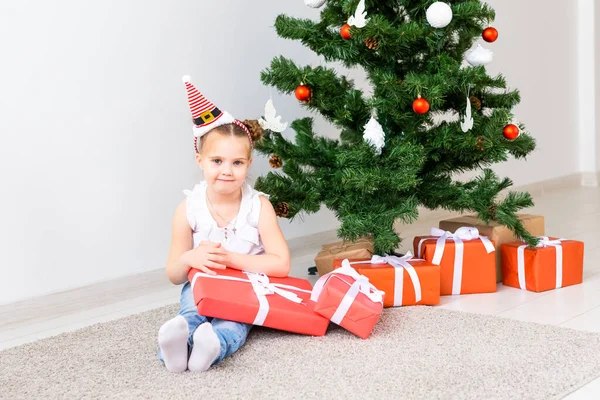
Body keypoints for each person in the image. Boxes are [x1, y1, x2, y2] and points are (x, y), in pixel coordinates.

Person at [157, 76, 291, 373]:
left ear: (248, 163)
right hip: (201, 284)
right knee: (191, 312)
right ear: (200, 160)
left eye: (237, 163)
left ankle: (212, 346)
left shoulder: (259, 207)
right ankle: (174, 348)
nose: (227, 171)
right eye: (217, 161)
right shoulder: (188, 209)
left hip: (244, 287)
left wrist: (230, 259)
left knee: (234, 322)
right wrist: (189, 258)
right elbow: (173, 274)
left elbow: (281, 264)